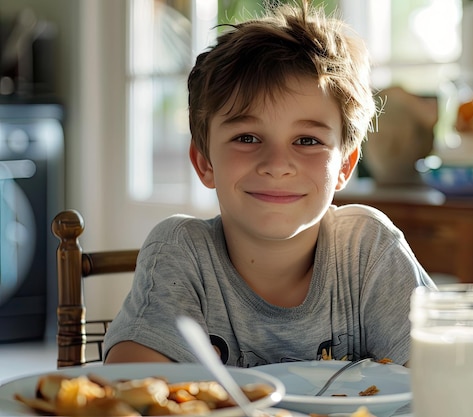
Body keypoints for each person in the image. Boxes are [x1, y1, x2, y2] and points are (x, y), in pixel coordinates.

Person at [103, 0, 435, 368]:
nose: (277, 165)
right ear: (204, 161)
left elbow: (443, 376)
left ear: (345, 165)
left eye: (307, 141)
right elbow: (129, 382)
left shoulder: (367, 248)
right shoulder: (182, 251)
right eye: (247, 137)